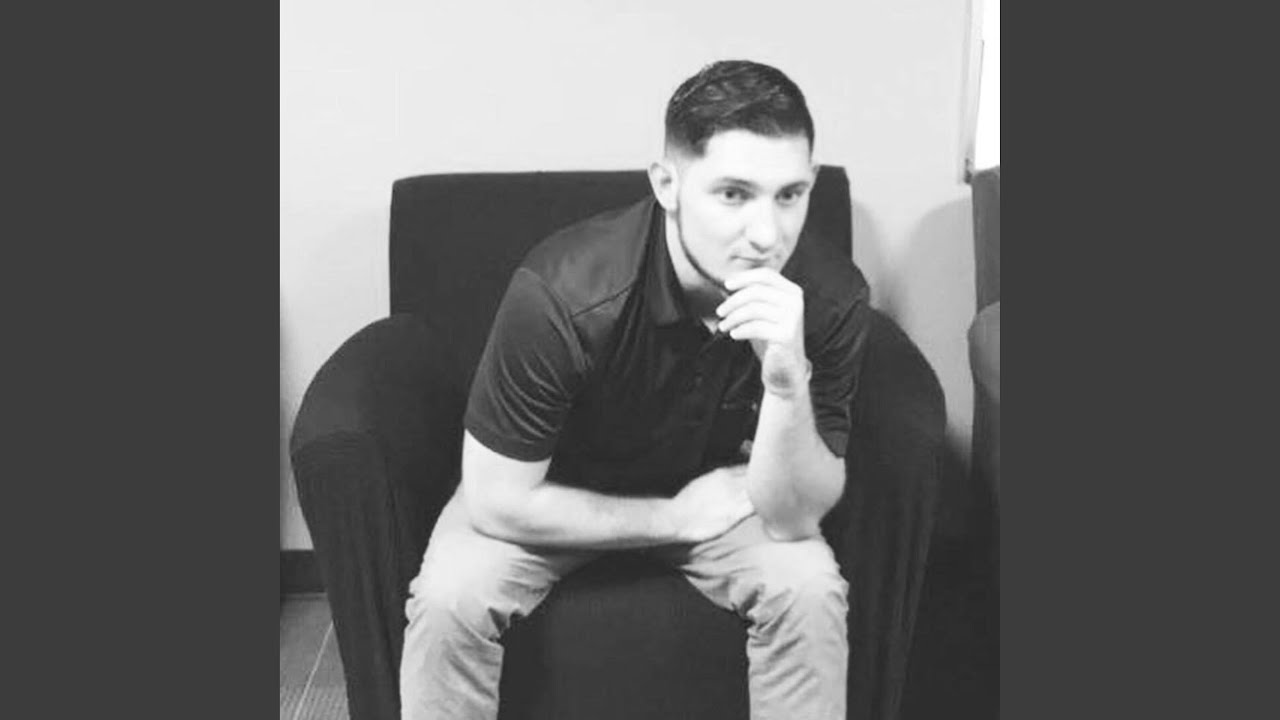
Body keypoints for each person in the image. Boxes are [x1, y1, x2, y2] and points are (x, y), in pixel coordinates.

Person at [399, 59, 872, 720]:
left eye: (788, 195)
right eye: (733, 194)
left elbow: (796, 517)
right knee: (451, 597)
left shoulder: (829, 298)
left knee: (808, 587)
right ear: (667, 184)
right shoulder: (564, 293)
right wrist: (671, 518)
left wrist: (787, 380)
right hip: (557, 495)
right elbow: (497, 500)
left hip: (724, 500)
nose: (767, 235)